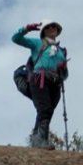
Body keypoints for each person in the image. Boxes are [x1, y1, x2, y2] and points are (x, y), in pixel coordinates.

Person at [12, 20, 67, 148]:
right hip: (39, 79)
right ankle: (41, 140)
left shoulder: (61, 51)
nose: (53, 28)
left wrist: (63, 70)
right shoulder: (38, 43)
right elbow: (15, 38)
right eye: (50, 26)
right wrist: (26, 28)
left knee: (46, 111)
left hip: (55, 83)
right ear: (44, 31)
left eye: (55, 26)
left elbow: (65, 74)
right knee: (45, 109)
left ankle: (36, 139)